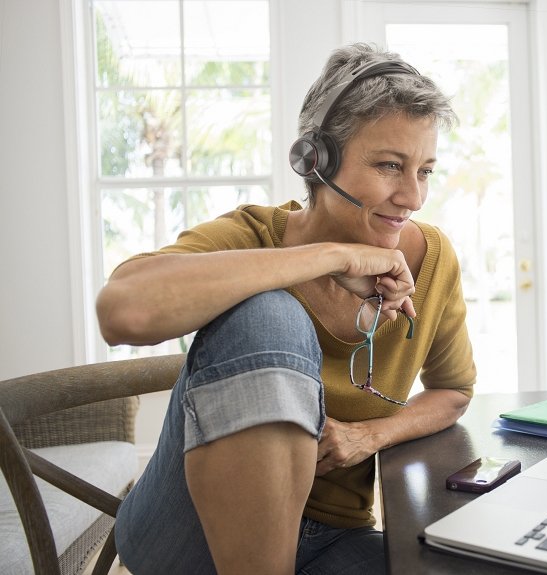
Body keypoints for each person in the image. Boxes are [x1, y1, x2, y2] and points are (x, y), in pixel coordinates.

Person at [96, 43, 476, 575]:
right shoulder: (250, 235)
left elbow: (453, 390)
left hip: (331, 537)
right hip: (187, 533)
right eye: (390, 165)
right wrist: (328, 256)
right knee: (266, 313)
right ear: (314, 159)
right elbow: (122, 312)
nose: (412, 196)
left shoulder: (431, 258)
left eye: (426, 171)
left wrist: (371, 436)